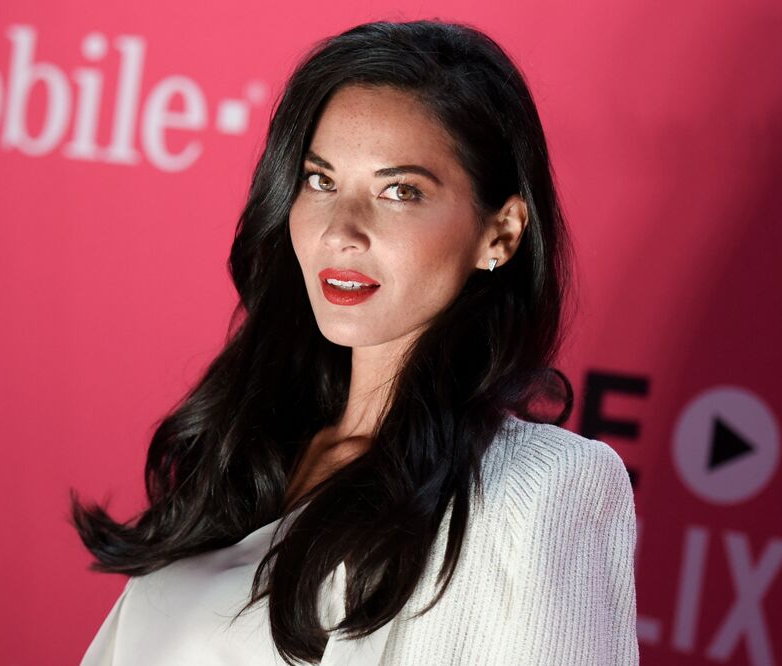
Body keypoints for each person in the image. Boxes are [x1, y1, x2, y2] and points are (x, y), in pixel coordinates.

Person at [71, 18, 638, 666]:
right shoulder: (248, 445)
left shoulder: (540, 488)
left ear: (501, 232)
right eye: (321, 180)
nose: (341, 230)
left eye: (400, 191)